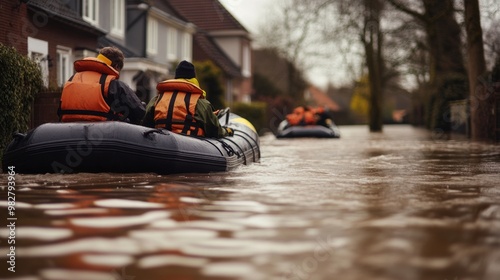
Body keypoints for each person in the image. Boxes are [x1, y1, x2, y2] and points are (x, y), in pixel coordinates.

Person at [141, 60, 232, 138]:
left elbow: (145, 124)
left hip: (159, 143)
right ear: (193, 79)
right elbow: (215, 130)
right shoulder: (200, 103)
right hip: (190, 147)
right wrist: (227, 131)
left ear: (175, 78)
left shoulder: (157, 99)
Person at [58, 46, 145, 124]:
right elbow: (139, 113)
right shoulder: (113, 85)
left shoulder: (71, 79)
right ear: (117, 66)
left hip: (69, 129)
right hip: (102, 133)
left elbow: (59, 110)